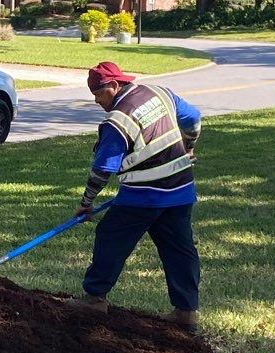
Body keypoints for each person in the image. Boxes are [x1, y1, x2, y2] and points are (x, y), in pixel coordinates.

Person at [75, 59, 201, 328]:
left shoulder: (118, 120)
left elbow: (102, 169)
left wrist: (86, 203)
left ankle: (94, 299)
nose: (96, 100)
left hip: (144, 196)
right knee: (179, 248)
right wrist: (189, 145)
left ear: (114, 85)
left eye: (99, 93)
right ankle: (186, 311)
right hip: (180, 189)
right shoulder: (160, 92)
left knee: (110, 237)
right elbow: (193, 118)